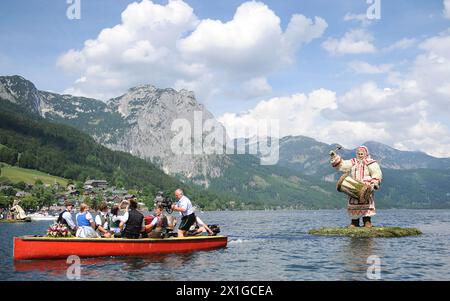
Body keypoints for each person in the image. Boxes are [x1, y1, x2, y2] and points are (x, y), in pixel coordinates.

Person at [330, 145, 383, 228]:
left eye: (362, 153)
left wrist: (374, 183)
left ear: (366, 153)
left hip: (366, 186)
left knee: (367, 204)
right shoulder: (353, 162)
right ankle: (354, 222)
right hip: (354, 186)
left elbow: (376, 173)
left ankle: (367, 222)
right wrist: (335, 156)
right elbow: (343, 165)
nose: (360, 155)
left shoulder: (371, 163)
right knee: (354, 204)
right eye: (359, 153)